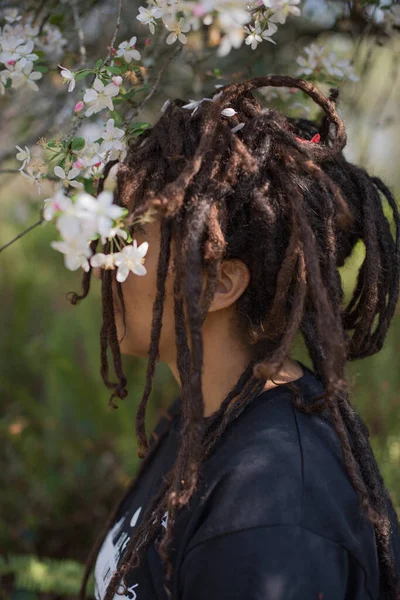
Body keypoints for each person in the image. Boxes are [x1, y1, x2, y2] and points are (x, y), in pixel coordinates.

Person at [74, 75, 400, 600]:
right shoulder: (206, 411)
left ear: (218, 284)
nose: (102, 257)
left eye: (130, 235)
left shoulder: (273, 514)